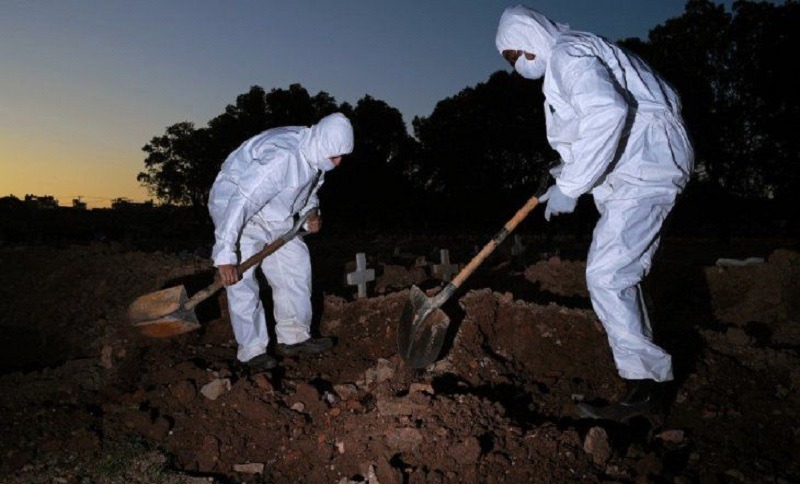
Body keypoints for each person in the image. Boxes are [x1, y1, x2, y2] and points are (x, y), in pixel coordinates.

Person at [496, 5, 694, 422]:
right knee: (622, 272)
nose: (519, 68)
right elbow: (590, 126)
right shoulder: (571, 54)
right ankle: (646, 385)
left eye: (518, 56)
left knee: (606, 273)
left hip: (647, 163)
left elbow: (608, 113)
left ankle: (646, 392)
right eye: (511, 62)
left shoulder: (568, 55)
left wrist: (571, 187)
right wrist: (564, 172)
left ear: (532, 38)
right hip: (636, 165)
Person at [208, 112, 354, 371]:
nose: (339, 162)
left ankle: (294, 337)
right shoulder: (281, 158)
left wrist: (311, 211)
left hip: (274, 213)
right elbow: (242, 201)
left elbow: (308, 188)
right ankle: (251, 351)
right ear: (323, 145)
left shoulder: (316, 153)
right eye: (335, 156)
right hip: (238, 210)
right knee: (242, 279)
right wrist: (225, 256)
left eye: (342, 156)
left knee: (295, 264)